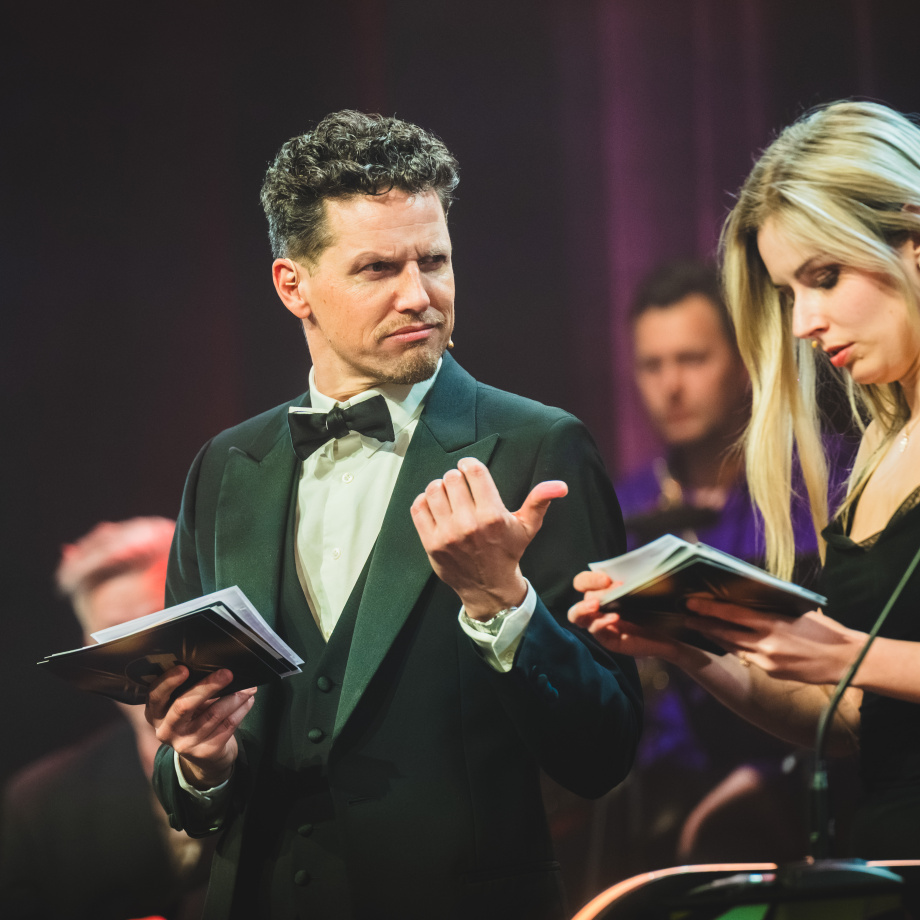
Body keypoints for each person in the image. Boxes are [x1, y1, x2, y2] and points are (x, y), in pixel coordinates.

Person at [145, 110, 642, 920]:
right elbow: (189, 792)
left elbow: (603, 752)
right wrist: (201, 766)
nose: (419, 295)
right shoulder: (226, 468)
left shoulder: (537, 448)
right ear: (293, 286)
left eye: (434, 261)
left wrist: (503, 605)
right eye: (378, 268)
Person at [570, 99, 920, 860]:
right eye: (791, 293)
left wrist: (850, 655)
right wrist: (688, 646)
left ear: (913, 236)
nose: (802, 324)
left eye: (825, 277)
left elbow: (855, 669)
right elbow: (850, 719)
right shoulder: (879, 450)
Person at [0, 517, 213, 920]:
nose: (144, 658)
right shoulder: (38, 804)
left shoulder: (296, 757)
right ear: (87, 650)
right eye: (116, 637)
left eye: (158, 624)